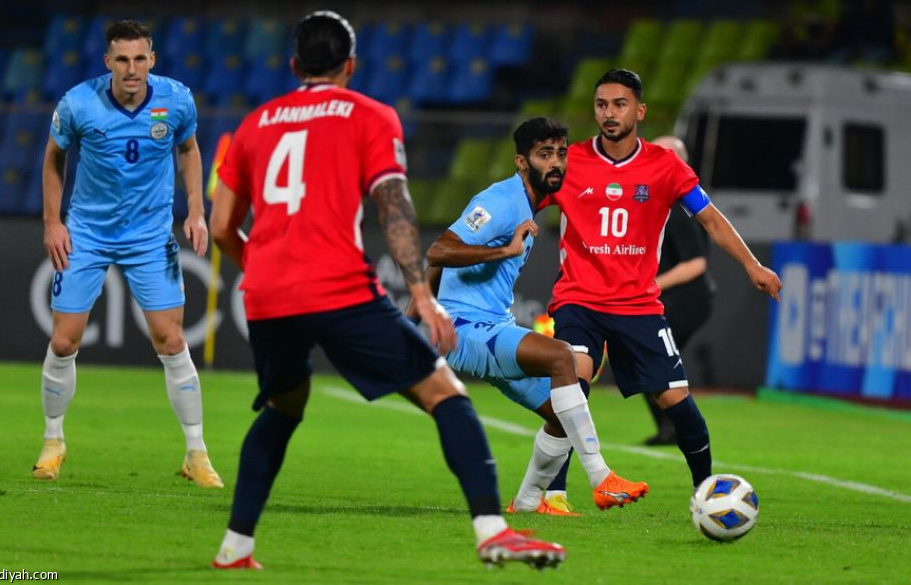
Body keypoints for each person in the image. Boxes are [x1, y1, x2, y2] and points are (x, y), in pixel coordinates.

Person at [208, 11, 564, 570]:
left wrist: (262, 267)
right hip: (337, 287)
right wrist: (422, 295)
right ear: (351, 65)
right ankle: (494, 532)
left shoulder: (255, 124)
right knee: (445, 394)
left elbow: (220, 226)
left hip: (268, 293)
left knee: (282, 406)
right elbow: (394, 209)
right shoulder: (370, 115)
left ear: (294, 64)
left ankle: (236, 546)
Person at [545, 69, 781, 489]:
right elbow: (523, 198)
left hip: (638, 305)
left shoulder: (665, 166)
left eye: (619, 104)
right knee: (571, 384)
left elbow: (711, 219)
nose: (609, 113)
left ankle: (705, 491)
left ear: (640, 111)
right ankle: (555, 494)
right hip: (578, 299)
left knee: (676, 399)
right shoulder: (570, 162)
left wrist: (752, 264)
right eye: (602, 105)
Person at [416, 117, 647, 517]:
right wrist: (502, 251)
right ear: (521, 162)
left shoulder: (527, 203)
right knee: (563, 357)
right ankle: (602, 478)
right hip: (465, 328)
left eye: (561, 153)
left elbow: (437, 263)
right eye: (544, 154)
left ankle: (526, 501)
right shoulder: (500, 201)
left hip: (491, 326)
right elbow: (439, 250)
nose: (555, 162)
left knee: (565, 414)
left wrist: (413, 312)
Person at [33, 20, 222, 488]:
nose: (132, 69)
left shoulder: (176, 99)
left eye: (140, 59)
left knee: (171, 341)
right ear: (108, 62)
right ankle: (53, 442)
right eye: (122, 59)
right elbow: (54, 157)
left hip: (149, 235)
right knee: (64, 342)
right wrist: (53, 223)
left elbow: (189, 149)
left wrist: (197, 210)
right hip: (87, 232)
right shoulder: (78, 103)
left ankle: (197, 453)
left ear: (152, 60)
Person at [641, 135, 716, 446]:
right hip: (672, 296)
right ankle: (671, 428)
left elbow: (696, 263)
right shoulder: (659, 199)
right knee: (646, 357)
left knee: (653, 356)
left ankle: (680, 427)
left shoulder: (678, 202)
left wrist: (652, 284)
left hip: (689, 296)